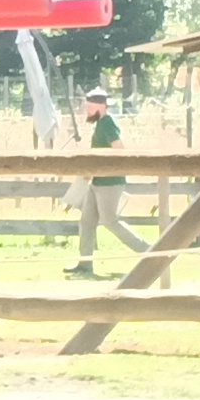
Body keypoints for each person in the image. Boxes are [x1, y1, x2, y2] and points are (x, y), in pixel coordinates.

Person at [65, 86, 146, 278]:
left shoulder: (108, 124)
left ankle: (149, 252)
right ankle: (85, 265)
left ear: (100, 106)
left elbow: (119, 149)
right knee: (87, 222)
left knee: (110, 221)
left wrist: (103, 168)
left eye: (89, 107)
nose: (86, 111)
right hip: (97, 182)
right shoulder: (101, 124)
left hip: (110, 182)